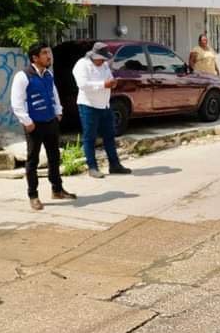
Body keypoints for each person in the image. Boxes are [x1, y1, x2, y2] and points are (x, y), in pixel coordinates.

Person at [10, 42, 76, 211]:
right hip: (34, 125)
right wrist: (27, 122)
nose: (49, 56)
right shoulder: (23, 76)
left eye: (49, 53)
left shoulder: (48, 74)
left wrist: (58, 111)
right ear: (35, 57)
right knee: (33, 161)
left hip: (50, 122)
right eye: (45, 53)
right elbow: (16, 103)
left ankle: (57, 189)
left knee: (54, 157)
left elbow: (53, 94)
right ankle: (33, 196)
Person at [72, 42, 132, 178]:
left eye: (105, 59)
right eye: (101, 58)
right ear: (94, 56)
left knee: (110, 136)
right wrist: (103, 84)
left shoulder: (104, 65)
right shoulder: (82, 65)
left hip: (105, 105)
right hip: (89, 105)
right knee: (90, 138)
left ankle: (115, 165)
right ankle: (92, 167)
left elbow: (109, 78)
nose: (103, 61)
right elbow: (83, 84)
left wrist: (113, 82)